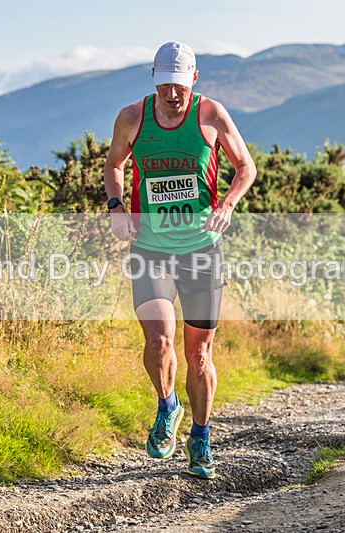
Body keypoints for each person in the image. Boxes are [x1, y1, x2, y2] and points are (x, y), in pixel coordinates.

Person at [103, 42, 256, 479]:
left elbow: (246, 167)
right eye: (165, 86)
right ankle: (167, 404)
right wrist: (117, 207)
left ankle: (201, 437)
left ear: (195, 80)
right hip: (150, 248)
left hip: (202, 250)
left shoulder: (211, 115)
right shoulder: (133, 117)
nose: (173, 95)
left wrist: (227, 203)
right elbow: (114, 165)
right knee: (159, 341)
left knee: (200, 353)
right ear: (155, 81)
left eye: (180, 86)